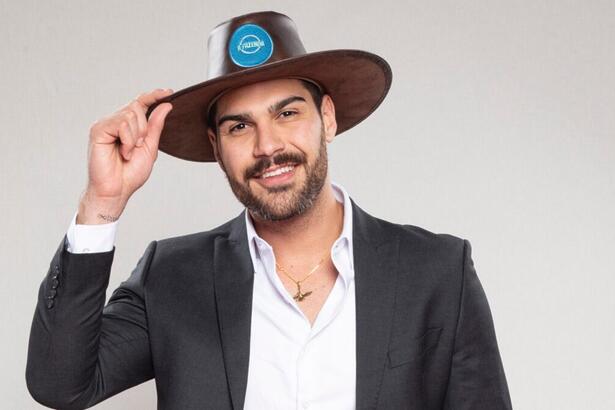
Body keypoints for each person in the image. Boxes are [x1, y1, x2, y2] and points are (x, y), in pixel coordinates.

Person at [26, 10, 512, 410]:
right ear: (217, 147)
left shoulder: (437, 271)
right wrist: (102, 203)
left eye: (287, 113)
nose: (268, 146)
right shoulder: (171, 276)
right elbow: (60, 384)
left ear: (326, 118)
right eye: (240, 127)